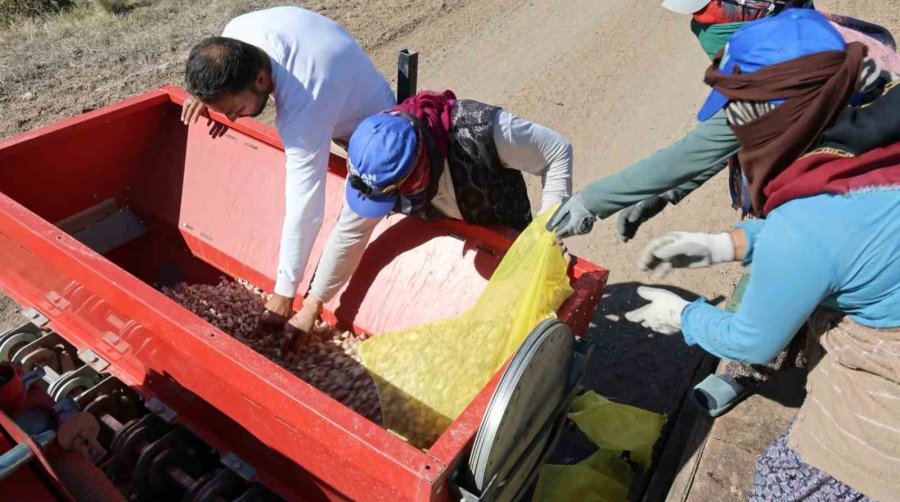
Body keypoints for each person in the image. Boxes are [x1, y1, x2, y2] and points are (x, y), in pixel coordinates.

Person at [624, 10, 900, 500]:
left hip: (884, 402)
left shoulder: (805, 224)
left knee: (779, 483)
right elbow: (845, 235)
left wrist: (682, 315)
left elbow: (750, 340)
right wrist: (726, 244)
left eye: (738, 111)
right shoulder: (869, 144)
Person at [280, 90, 573, 348]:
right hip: (447, 236)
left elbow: (556, 151)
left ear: (419, 169)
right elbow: (349, 235)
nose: (389, 208)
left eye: (393, 198)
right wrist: (312, 305)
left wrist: (544, 235)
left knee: (526, 317)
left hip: (501, 227)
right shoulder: (374, 167)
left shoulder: (483, 130)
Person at [180, 7, 395, 333]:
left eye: (235, 110)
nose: (233, 120)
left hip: (372, 123)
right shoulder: (236, 37)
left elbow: (305, 207)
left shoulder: (305, 103)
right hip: (335, 80)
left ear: (261, 80)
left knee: (369, 199)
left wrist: (284, 293)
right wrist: (206, 100)